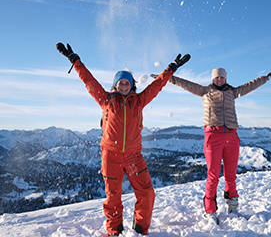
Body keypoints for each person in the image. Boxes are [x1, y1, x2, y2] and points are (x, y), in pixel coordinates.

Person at [56, 42, 190, 236]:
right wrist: (75, 60)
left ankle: (140, 229)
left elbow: (157, 85)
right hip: (111, 156)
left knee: (147, 194)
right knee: (113, 199)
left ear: (132, 85)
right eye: (121, 83)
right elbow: (89, 81)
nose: (124, 86)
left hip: (134, 156)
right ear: (116, 84)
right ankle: (114, 232)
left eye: (127, 83)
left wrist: (171, 68)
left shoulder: (139, 101)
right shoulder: (106, 100)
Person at [153, 67, 271, 223]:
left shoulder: (233, 92)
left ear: (225, 78)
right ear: (213, 78)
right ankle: (210, 211)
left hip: (232, 136)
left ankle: (232, 208)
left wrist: (265, 78)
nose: (219, 80)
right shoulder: (204, 91)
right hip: (213, 136)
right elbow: (184, 83)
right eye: (217, 77)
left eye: (222, 77)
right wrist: (165, 77)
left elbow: (250, 85)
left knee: (231, 176)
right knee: (213, 177)